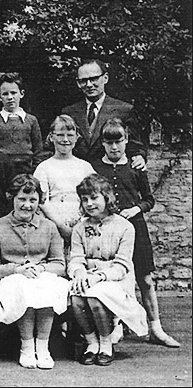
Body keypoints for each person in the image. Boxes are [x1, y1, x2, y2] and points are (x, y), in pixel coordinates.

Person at [91, 119, 179, 348]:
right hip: (108, 231)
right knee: (114, 278)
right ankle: (115, 326)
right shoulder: (95, 168)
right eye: (109, 142)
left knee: (145, 279)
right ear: (102, 143)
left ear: (126, 140)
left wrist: (136, 209)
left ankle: (156, 328)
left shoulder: (135, 166)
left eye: (118, 141)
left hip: (135, 228)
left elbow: (149, 199)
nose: (114, 147)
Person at [0, 174, 69, 369]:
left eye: (33, 200)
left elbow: (60, 264)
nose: (27, 205)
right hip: (12, 277)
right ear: (12, 199)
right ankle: (26, 346)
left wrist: (41, 268)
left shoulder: (49, 227)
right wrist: (17, 269)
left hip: (42, 274)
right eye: (22, 199)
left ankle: (42, 347)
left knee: (47, 286)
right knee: (23, 287)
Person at [68, 174, 148, 366]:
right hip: (87, 276)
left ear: (107, 197)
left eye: (94, 198)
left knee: (96, 297)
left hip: (115, 279)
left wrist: (100, 276)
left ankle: (106, 343)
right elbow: (76, 258)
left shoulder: (125, 227)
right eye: (85, 199)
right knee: (76, 297)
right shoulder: (80, 228)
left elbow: (123, 266)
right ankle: (91, 343)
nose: (89, 204)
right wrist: (79, 272)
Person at [61, 58, 147, 169]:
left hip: (110, 174)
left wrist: (139, 156)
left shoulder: (123, 110)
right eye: (83, 81)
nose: (88, 84)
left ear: (105, 78)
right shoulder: (69, 112)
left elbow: (135, 145)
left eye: (94, 79)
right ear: (78, 83)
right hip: (77, 174)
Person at [33, 115, 95, 244]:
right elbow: (43, 202)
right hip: (54, 224)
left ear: (77, 137)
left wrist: (79, 220)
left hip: (82, 222)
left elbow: (93, 195)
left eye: (70, 135)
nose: (65, 140)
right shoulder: (44, 168)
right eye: (60, 135)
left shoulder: (85, 167)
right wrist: (62, 226)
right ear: (51, 137)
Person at [0, 73, 43, 174]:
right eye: (5, 94)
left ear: (21, 94)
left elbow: (38, 150)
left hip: (26, 171)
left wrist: (34, 170)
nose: (10, 97)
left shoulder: (31, 120)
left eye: (13, 93)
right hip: (2, 171)